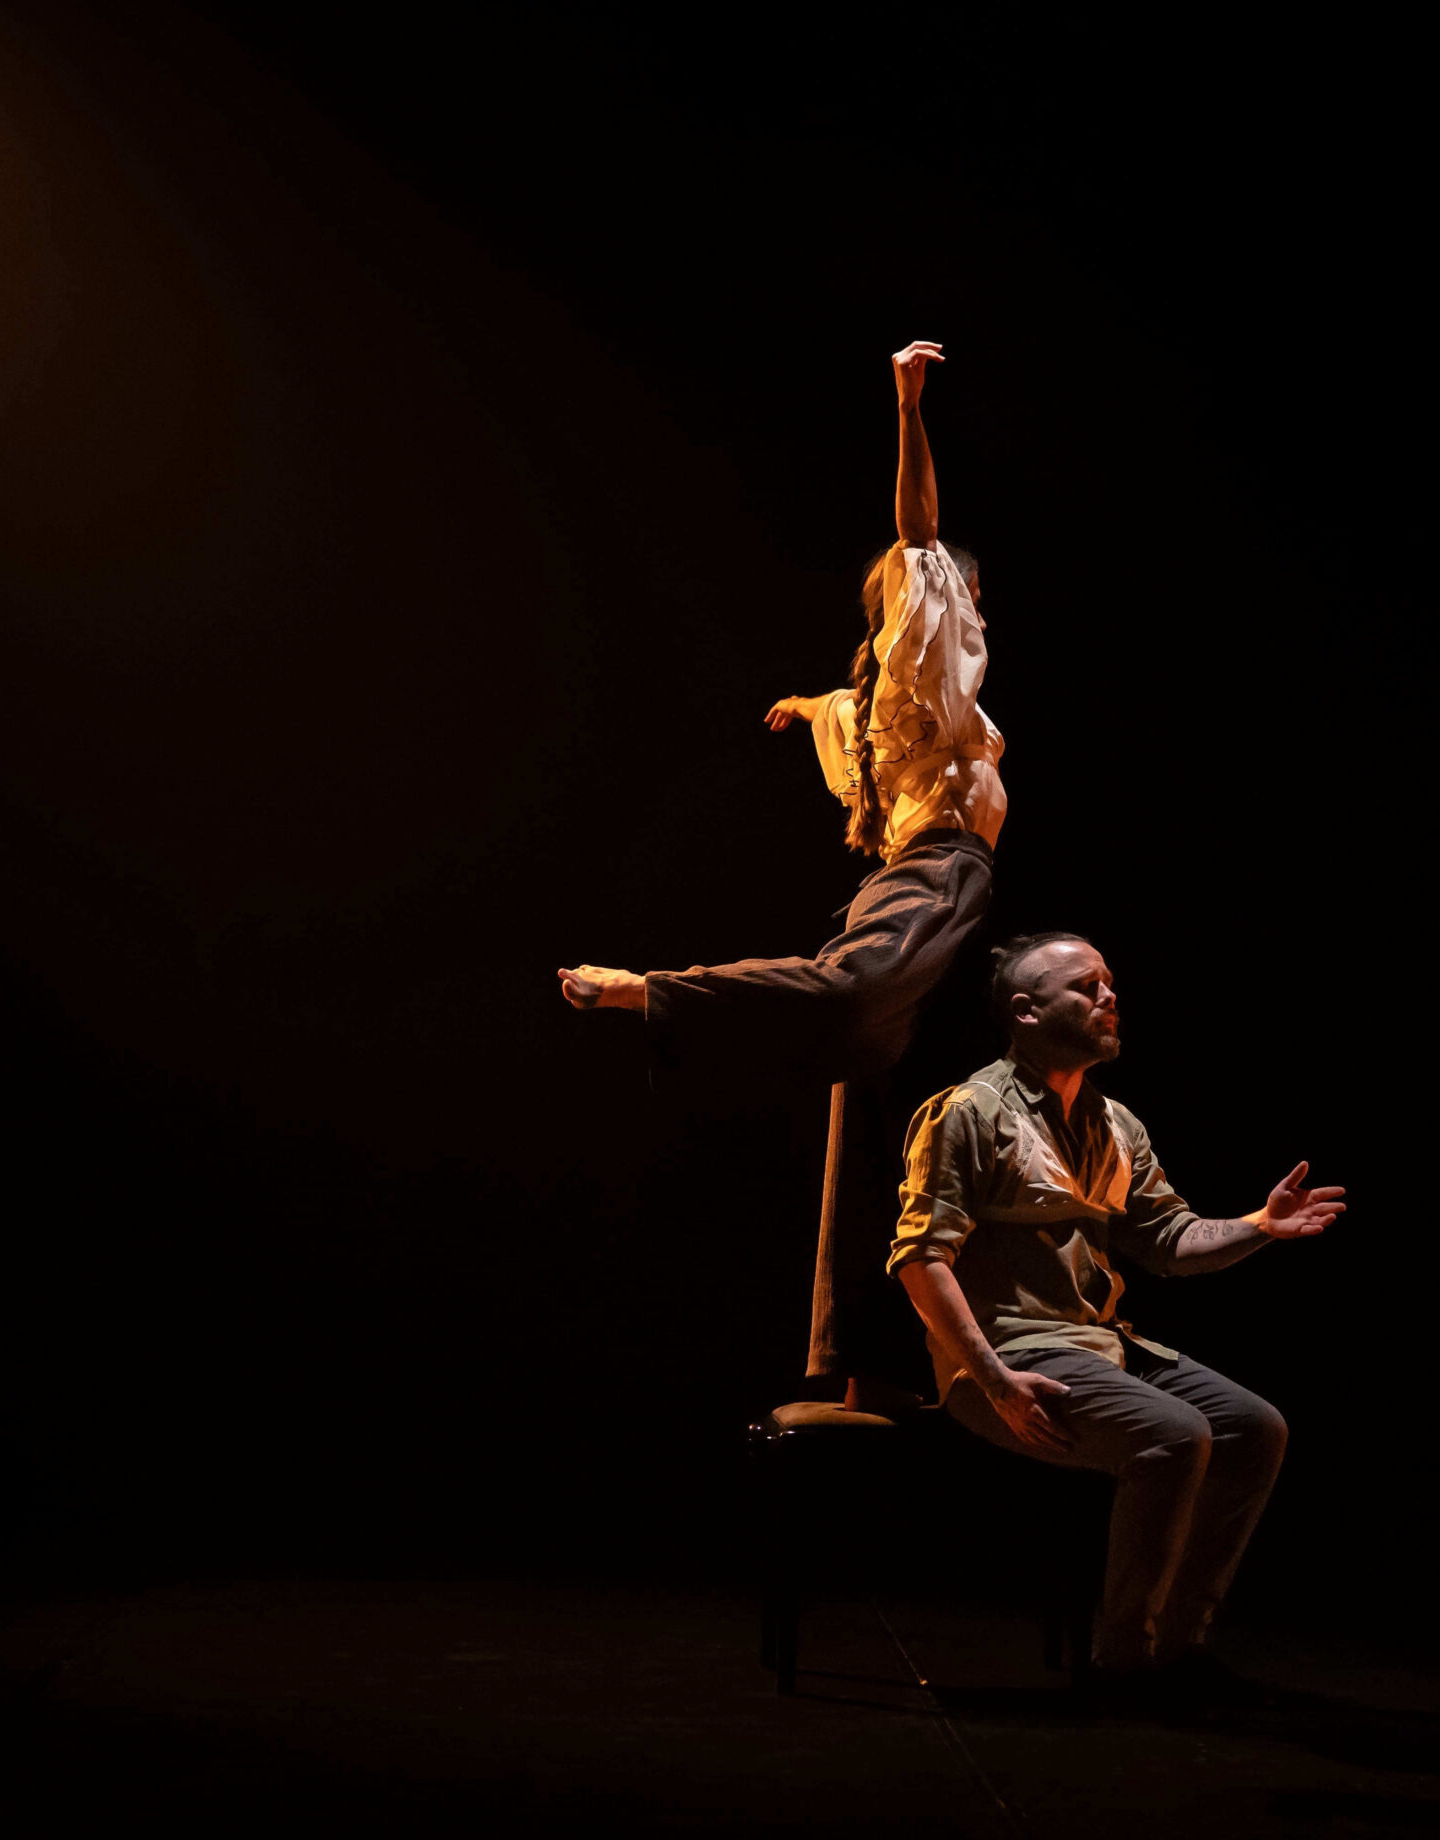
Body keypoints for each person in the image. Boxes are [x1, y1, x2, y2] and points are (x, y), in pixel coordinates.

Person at [889, 933, 1346, 1692]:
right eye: (1085, 987)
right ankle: (1127, 1662)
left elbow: (1169, 1241)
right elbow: (920, 1259)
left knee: (1254, 1427)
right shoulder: (967, 1113)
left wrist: (1260, 1226)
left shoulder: (1115, 1124)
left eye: (1108, 983)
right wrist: (994, 1380)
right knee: (1176, 1434)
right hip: (1009, 1357)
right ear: (1026, 1012)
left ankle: (1178, 1648)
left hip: (1098, 1345)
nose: (1109, 998)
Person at [555, 338, 1004, 1094]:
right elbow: (920, 537)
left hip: (949, 880)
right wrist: (908, 409)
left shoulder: (892, 707)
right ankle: (646, 990)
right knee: (848, 997)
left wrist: (800, 705)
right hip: (937, 870)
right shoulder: (925, 678)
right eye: (969, 601)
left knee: (874, 1037)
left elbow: (839, 706)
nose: (974, 618)